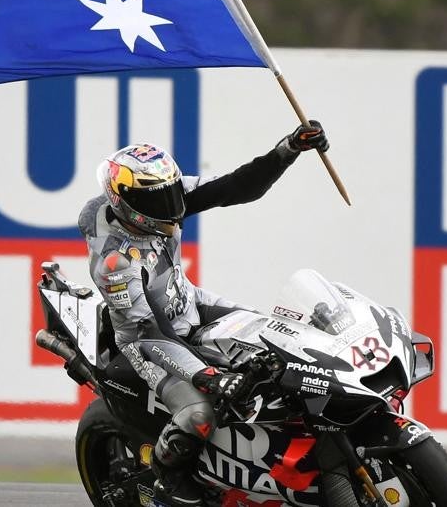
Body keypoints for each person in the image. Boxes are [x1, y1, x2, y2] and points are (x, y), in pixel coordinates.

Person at [78, 121, 330, 505]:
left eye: (171, 191)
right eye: (159, 199)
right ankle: (169, 482)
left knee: (278, 336)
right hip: (148, 342)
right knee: (199, 414)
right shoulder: (114, 261)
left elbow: (235, 187)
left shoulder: (161, 195)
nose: (173, 205)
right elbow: (146, 333)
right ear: (124, 202)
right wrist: (207, 376)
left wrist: (289, 148)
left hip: (188, 302)